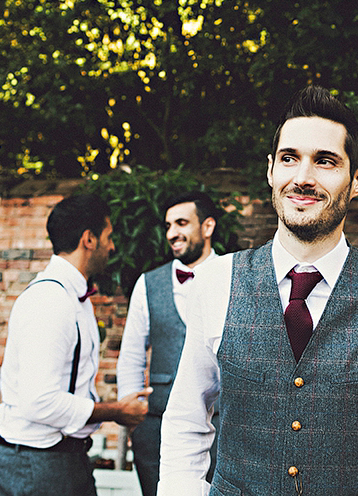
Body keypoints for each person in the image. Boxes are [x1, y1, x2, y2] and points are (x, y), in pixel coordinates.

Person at [157, 86, 358, 496]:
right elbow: (186, 421)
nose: (303, 178)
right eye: (290, 159)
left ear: (357, 179)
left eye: (325, 161)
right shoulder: (217, 281)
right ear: (271, 170)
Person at [0, 193, 151, 496]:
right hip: (38, 467)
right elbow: (40, 402)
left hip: (61, 461)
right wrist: (116, 411)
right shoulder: (51, 302)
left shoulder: (74, 297)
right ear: (89, 239)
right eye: (108, 236)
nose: (113, 246)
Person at [118, 191, 221, 496]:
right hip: (157, 428)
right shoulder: (148, 283)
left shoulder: (233, 276)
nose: (172, 233)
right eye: (168, 225)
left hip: (223, 425)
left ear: (208, 226)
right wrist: (134, 418)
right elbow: (132, 354)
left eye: (181, 223)